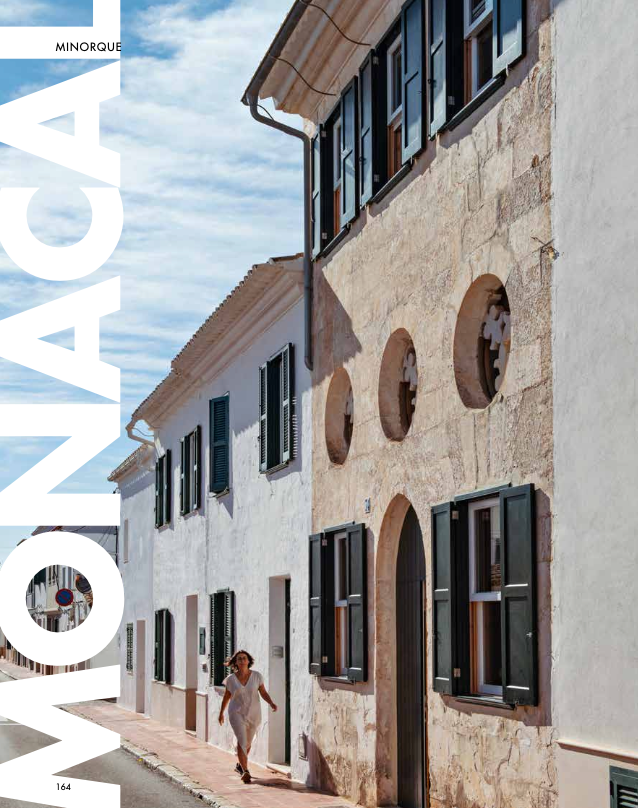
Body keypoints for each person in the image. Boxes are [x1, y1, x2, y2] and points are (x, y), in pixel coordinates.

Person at [218, 649, 277, 783]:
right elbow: (227, 697)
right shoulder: (231, 680)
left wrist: (271, 703)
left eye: (244, 658)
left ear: (249, 661)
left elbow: (263, 692)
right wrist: (221, 713)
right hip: (236, 713)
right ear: (235, 662)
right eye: (239, 658)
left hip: (253, 713)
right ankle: (245, 771)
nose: (242, 660)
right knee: (242, 741)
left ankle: (240, 765)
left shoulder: (257, 676)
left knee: (247, 743)